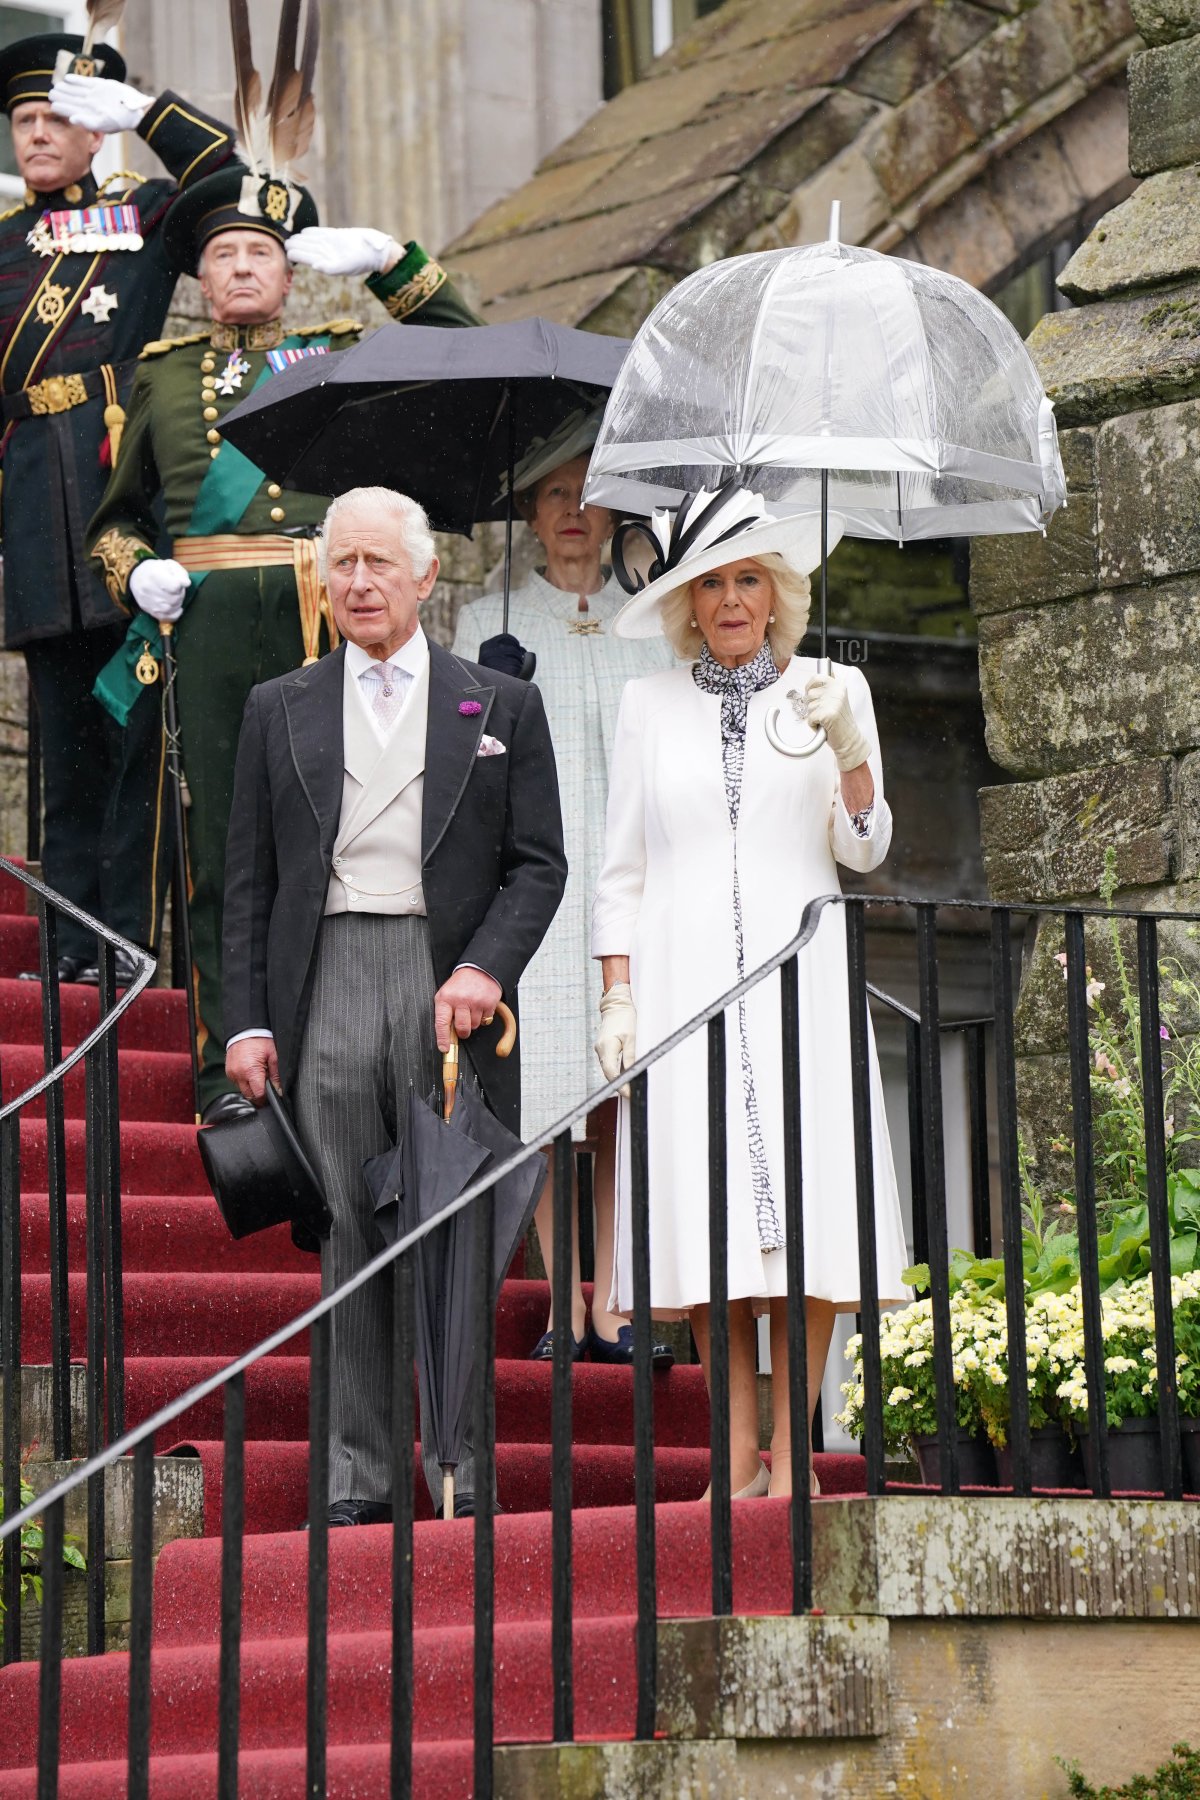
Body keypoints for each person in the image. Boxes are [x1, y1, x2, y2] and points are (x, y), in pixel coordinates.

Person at [85, 155, 476, 1122]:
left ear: (291, 272)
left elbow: (467, 349)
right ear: (201, 280)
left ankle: (328, 1052)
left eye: (261, 250)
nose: (244, 269)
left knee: (343, 839)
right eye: (224, 255)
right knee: (221, 850)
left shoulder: (341, 354)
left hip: (327, 613)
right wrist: (137, 570)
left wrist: (392, 262)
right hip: (210, 625)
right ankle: (229, 1070)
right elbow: (114, 521)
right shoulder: (162, 379)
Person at [222, 486, 566, 1525]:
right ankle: (354, 1490)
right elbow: (244, 881)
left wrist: (483, 971)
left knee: (450, 1233)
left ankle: (458, 1480)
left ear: (426, 577)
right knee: (346, 1238)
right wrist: (243, 1021)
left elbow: (539, 866)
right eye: (344, 564)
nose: (361, 582)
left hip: (441, 989)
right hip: (324, 981)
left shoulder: (498, 704)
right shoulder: (276, 704)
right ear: (323, 581)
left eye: (381, 563)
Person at [591, 482, 911, 1498]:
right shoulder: (647, 705)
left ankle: (796, 1458)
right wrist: (617, 995)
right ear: (688, 603)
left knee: (811, 1211)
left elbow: (863, 850)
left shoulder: (829, 688)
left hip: (800, 968)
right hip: (683, 976)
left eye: (747, 580)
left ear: (776, 593)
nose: (731, 600)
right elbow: (621, 868)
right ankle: (733, 1455)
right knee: (703, 1215)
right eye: (711, 584)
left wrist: (850, 754)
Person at [0, 32, 233, 983]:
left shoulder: (140, 215)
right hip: (30, 508)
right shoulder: (5, 244)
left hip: (119, 497)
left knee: (134, 735)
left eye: (58, 117)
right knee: (63, 742)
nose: (40, 135)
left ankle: (124, 949)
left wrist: (145, 113)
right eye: (24, 119)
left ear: (94, 134)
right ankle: (66, 949)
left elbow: (229, 178)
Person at [453, 412, 676, 1366]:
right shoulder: (484, 622)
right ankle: (561, 1303)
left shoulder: (659, 616)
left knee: (625, 1093)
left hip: (636, 882)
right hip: (536, 889)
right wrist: (482, 697)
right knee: (547, 1099)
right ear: (531, 518)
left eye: (587, 490)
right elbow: (457, 766)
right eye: (552, 495)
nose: (573, 510)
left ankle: (621, 1300)